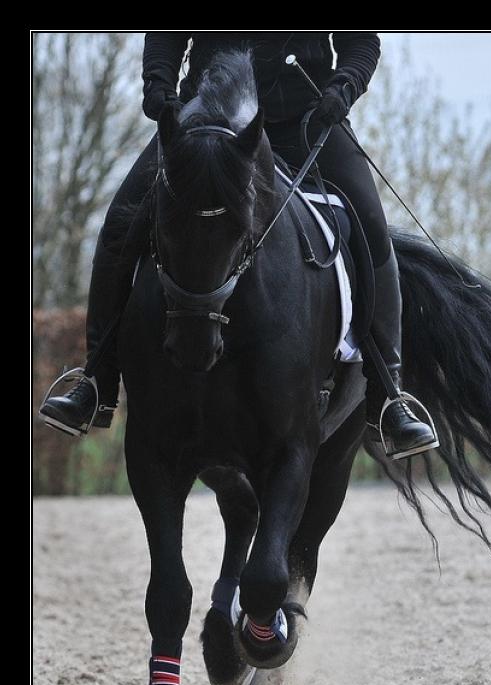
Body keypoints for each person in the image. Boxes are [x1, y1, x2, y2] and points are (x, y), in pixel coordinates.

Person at [39, 32, 438, 459]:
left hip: (303, 118)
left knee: (372, 227)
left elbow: (361, 43)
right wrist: (159, 86)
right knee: (120, 224)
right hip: (208, 117)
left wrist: (343, 88)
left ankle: (388, 396)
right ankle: (95, 381)